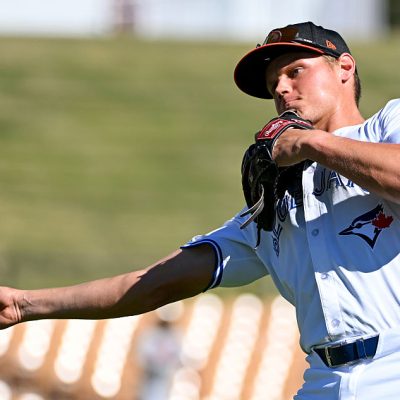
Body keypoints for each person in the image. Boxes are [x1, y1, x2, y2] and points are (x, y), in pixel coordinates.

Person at [0, 21, 399, 399]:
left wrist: (312, 143)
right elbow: (154, 283)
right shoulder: (270, 204)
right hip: (323, 380)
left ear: (344, 68)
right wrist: (25, 304)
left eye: (295, 71)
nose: (280, 88)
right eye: (273, 82)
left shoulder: (386, 125)